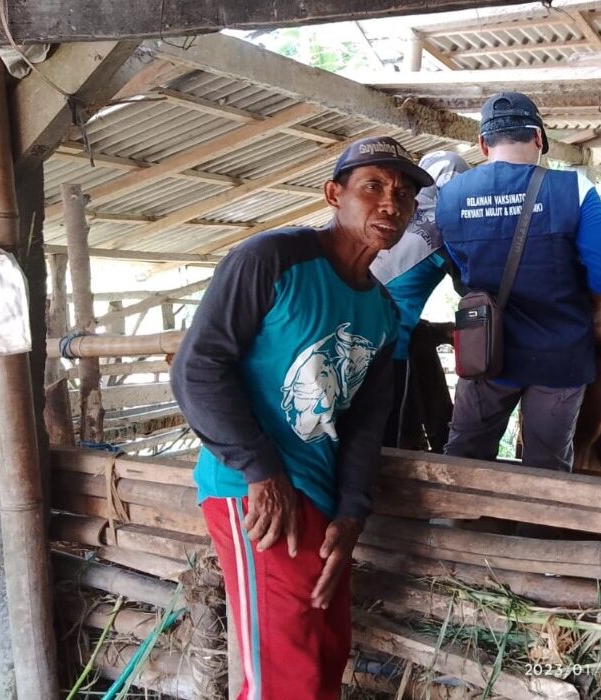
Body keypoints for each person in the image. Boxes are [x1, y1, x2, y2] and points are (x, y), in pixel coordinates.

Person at [171, 136, 431, 699]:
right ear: (333, 194)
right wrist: (260, 471)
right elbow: (198, 370)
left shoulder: (382, 312)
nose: (392, 204)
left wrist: (352, 512)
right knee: (286, 678)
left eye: (405, 194)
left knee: (323, 658)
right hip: (255, 495)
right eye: (374, 187)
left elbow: (366, 423)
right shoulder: (271, 259)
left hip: (317, 498)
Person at [436, 91, 601, 471]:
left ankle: (461, 524)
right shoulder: (574, 189)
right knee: (547, 467)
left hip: (486, 348)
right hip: (560, 354)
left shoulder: (449, 195)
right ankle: (535, 530)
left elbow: (459, 267)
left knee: (465, 460)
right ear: (539, 137)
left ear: (483, 143)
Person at [369, 150, 471, 448]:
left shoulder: (388, 214)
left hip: (346, 339)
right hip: (390, 347)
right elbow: (470, 290)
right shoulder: (450, 228)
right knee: (383, 445)